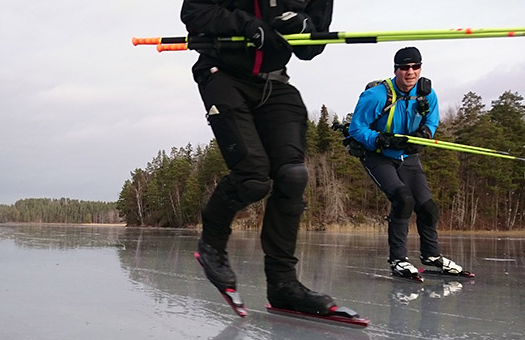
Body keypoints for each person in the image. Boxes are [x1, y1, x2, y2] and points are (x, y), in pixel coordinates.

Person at [181, 0, 336, 315]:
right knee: (252, 177)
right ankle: (212, 244)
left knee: (293, 175)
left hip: (274, 82)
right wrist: (246, 24)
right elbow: (194, 12)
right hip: (222, 73)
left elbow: (312, 47)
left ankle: (283, 285)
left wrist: (305, 27)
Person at [348, 46, 466, 280]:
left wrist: (424, 135)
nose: (410, 72)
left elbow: (432, 121)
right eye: (405, 67)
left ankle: (431, 256)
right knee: (403, 200)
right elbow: (356, 128)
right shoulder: (377, 95)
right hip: (378, 155)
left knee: (427, 207)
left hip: (407, 157)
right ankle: (398, 259)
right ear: (396, 70)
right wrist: (379, 139)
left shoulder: (427, 93)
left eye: (415, 66)